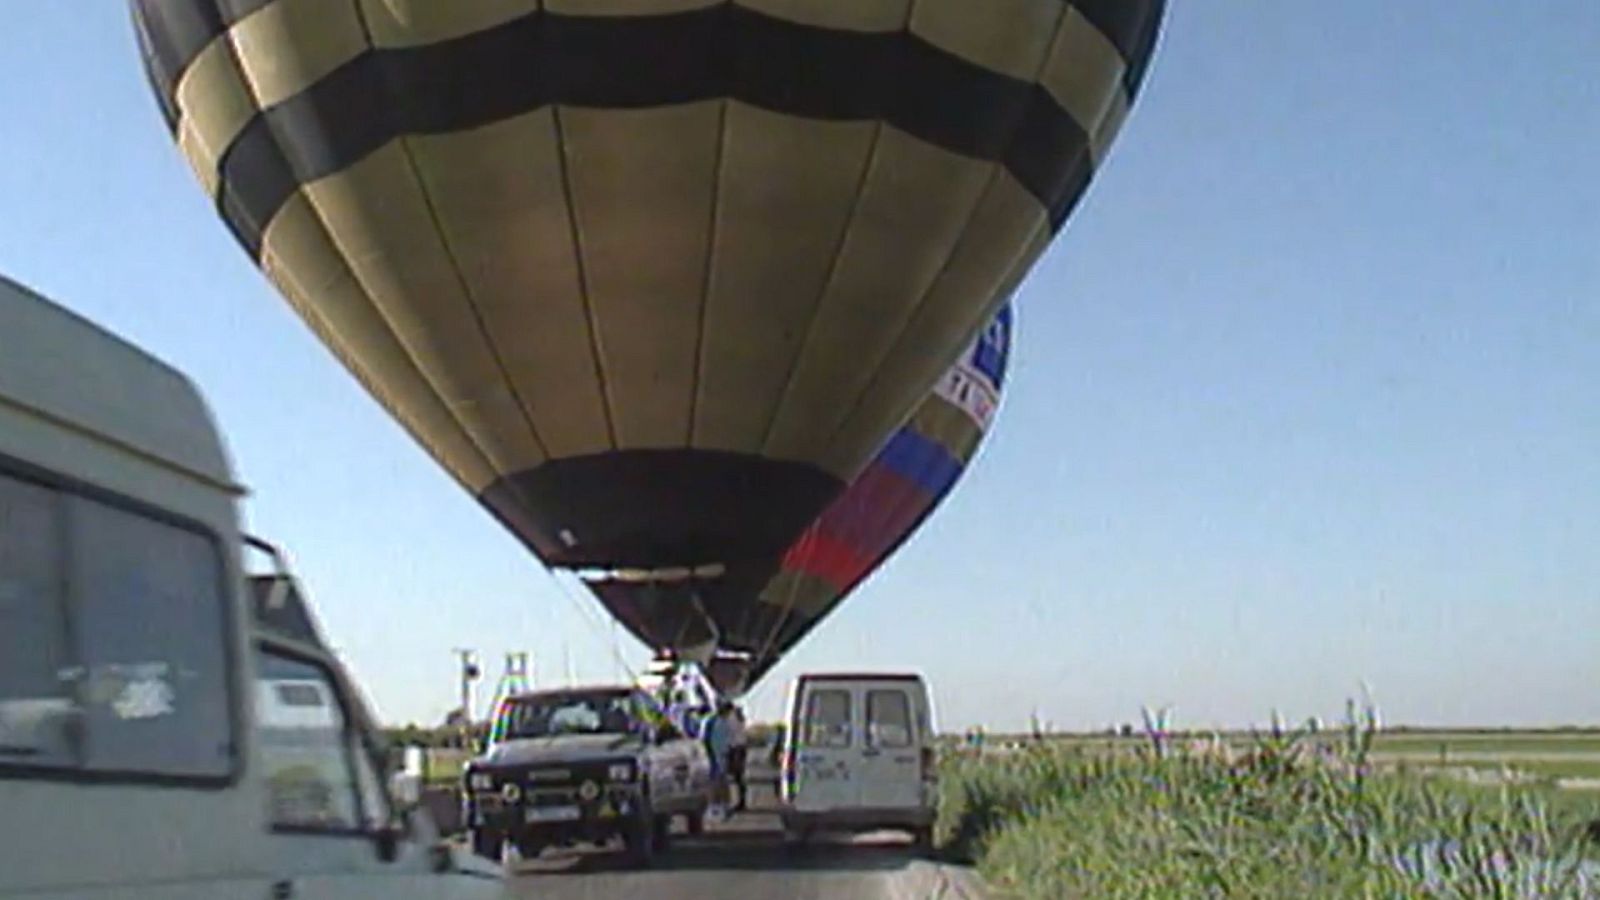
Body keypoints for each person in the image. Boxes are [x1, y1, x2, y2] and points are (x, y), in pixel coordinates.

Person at [726, 703, 749, 811]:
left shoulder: (731, 719)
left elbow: (729, 734)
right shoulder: (740, 718)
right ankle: (742, 800)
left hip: (735, 748)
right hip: (742, 747)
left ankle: (739, 801)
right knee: (739, 776)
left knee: (736, 776)